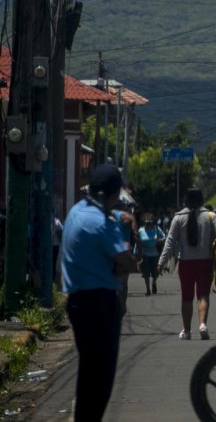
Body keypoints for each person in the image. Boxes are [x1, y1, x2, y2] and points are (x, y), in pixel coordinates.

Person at [61, 163, 138, 422]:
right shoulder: (101, 224)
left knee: (88, 372)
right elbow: (128, 262)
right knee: (101, 377)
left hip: (78, 302)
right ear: (114, 194)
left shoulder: (77, 212)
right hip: (100, 304)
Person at [159, 188, 216, 340]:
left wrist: (161, 262)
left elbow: (169, 242)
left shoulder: (178, 217)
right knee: (203, 295)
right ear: (202, 200)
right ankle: (202, 325)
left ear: (185, 201)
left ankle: (187, 331)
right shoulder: (211, 215)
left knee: (187, 297)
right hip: (205, 262)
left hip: (186, 264)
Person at [136, 215, 165, 295]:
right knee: (146, 273)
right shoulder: (141, 230)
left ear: (153, 223)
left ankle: (154, 283)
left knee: (155, 272)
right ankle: (148, 289)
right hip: (145, 253)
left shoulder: (156, 229)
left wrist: (160, 240)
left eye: (149, 223)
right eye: (146, 223)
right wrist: (137, 253)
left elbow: (164, 236)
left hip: (155, 253)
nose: (148, 225)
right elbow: (137, 242)